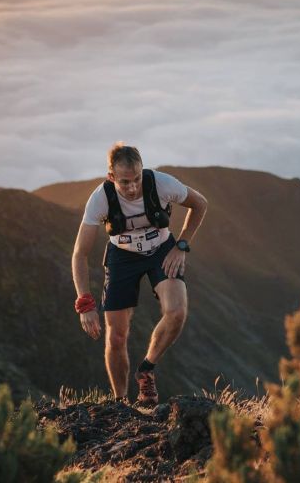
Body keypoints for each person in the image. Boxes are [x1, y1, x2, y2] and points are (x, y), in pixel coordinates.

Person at [71, 142, 208, 405]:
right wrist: (85, 303)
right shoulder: (100, 198)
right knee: (117, 335)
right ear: (111, 177)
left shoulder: (162, 184)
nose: (132, 187)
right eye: (124, 182)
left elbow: (200, 204)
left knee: (177, 312)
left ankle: (146, 370)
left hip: (162, 250)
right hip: (122, 256)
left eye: (137, 179)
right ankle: (120, 402)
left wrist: (181, 245)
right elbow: (80, 254)